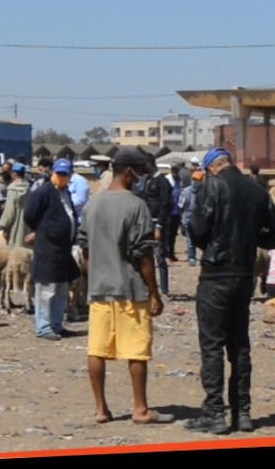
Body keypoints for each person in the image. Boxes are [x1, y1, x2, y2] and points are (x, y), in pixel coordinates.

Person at [187, 147, 275, 434]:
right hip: (244, 274)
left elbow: (197, 229)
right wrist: (252, 240)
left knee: (212, 345)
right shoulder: (256, 191)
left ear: (211, 168)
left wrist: (212, 244)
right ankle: (243, 413)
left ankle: (215, 414)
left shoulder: (212, 186)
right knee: (239, 345)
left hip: (216, 275)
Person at [76, 146, 173, 425]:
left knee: (97, 350)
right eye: (140, 172)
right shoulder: (136, 205)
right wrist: (154, 293)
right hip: (130, 289)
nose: (142, 177)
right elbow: (144, 255)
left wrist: (93, 277)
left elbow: (85, 251)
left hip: (99, 288)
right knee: (136, 351)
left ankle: (101, 409)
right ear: (129, 172)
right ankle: (140, 409)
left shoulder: (92, 204)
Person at [24, 158, 82, 341]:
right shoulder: (44, 192)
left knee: (62, 289)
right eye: (60, 174)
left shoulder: (66, 193)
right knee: (47, 289)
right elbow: (30, 215)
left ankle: (57, 324)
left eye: (66, 174)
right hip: (48, 248)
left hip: (63, 249)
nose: (62, 177)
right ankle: (44, 326)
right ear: (53, 173)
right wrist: (42, 231)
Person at [135, 156, 173, 296]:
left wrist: (159, 226)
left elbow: (165, 204)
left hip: (157, 223)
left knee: (160, 257)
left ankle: (164, 289)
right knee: (145, 255)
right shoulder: (147, 181)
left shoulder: (162, 182)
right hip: (146, 222)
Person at [0, 163, 32, 248]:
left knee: (15, 253)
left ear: (14, 174)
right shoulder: (29, 189)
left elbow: (10, 212)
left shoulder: (12, 189)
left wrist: (5, 227)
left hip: (15, 226)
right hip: (26, 226)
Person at [179, 170, 203, 266]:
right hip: (188, 219)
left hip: (200, 220)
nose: (195, 182)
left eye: (197, 180)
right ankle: (192, 257)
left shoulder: (203, 191)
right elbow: (180, 207)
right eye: (194, 179)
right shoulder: (185, 192)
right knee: (190, 240)